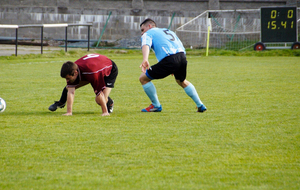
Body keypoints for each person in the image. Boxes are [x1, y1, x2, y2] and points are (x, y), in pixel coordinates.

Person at [139, 18, 206, 113]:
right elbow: (180, 45)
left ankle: (156, 105)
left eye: (142, 30)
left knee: (143, 78)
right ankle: (200, 105)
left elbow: (146, 45)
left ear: (149, 26)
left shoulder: (148, 33)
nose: (142, 33)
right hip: (182, 57)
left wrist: (145, 59)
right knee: (181, 81)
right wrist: (177, 64)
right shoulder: (168, 31)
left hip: (170, 59)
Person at [48, 53, 118, 116]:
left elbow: (99, 93)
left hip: (109, 70)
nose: (67, 80)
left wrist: (105, 112)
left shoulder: (92, 73)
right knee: (69, 87)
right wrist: (69, 112)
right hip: (92, 68)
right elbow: (71, 91)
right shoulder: (72, 68)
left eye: (68, 78)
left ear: (75, 73)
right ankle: (61, 103)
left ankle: (110, 103)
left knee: (98, 100)